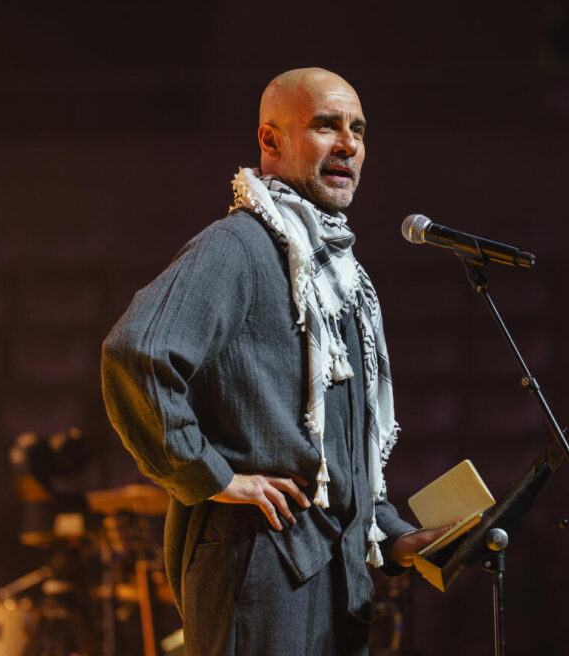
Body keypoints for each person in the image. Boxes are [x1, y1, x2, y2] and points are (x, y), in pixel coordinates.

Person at [101, 67, 447, 656]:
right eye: (326, 126)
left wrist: (392, 535)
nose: (348, 144)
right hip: (260, 572)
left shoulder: (339, 277)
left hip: (338, 582)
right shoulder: (238, 246)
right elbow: (134, 353)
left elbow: (339, 452)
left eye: (358, 129)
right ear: (270, 140)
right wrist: (211, 476)